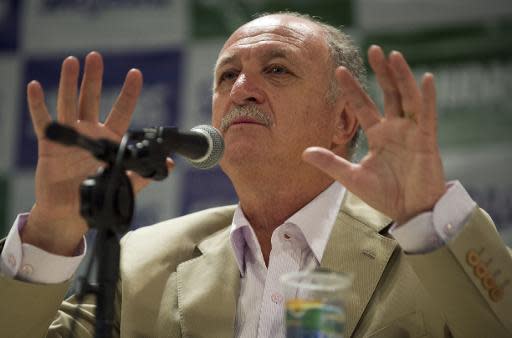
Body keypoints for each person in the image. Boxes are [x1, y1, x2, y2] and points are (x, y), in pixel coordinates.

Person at [0, 11, 511, 338]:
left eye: (277, 69)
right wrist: (53, 229)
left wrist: (425, 216)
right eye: (227, 75)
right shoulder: (142, 264)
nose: (242, 89)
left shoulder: (427, 251)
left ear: (344, 121)